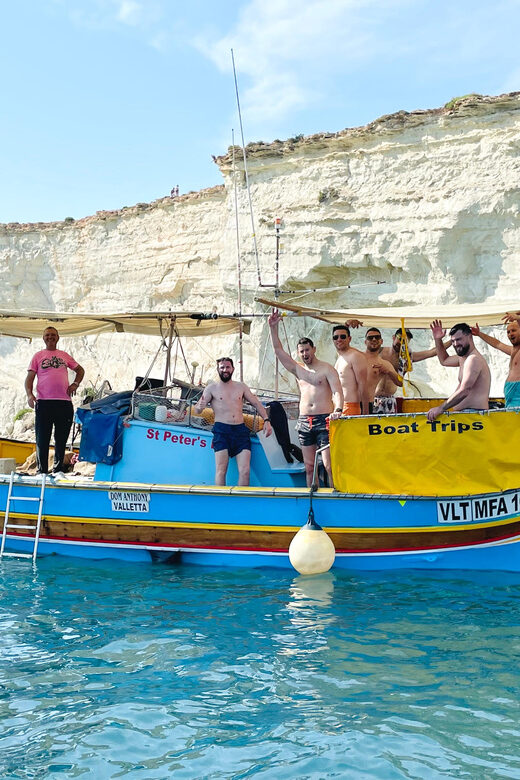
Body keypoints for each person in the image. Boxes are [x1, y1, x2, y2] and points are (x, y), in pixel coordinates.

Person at [269, 310, 343, 487]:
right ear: (298, 353)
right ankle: (312, 496)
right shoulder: (298, 370)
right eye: (301, 351)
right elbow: (278, 350)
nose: (305, 354)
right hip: (304, 421)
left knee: (328, 464)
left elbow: (337, 392)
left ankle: (335, 494)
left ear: (314, 349)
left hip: (324, 419)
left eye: (307, 350)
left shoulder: (327, 369)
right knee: (309, 466)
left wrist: (338, 409)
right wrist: (273, 327)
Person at [194, 357, 272, 486]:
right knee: (221, 470)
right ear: (218, 369)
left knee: (245, 471)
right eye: (222, 367)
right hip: (221, 431)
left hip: (240, 431)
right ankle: (221, 501)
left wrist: (267, 420)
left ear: (233, 369)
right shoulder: (211, 388)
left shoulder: (241, 387)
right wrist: (200, 406)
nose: (225, 370)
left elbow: (256, 403)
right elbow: (197, 410)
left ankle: (241, 500)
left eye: (227, 367)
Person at [25, 326, 85, 474]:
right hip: (44, 402)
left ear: (57, 338)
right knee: (42, 439)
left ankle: (58, 470)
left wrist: (75, 383)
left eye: (53, 335)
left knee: (61, 439)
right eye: (47, 335)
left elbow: (80, 370)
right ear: (43, 338)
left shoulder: (64, 355)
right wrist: (29, 394)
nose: (50, 337)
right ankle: (42, 471)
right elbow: (30, 378)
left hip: (64, 402)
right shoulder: (38, 356)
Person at [427, 321, 490, 422]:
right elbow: (444, 360)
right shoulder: (463, 358)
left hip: (475, 417)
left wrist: (441, 408)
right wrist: (438, 339)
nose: (455, 344)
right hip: (466, 416)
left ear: (470, 336)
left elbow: (465, 390)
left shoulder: (473, 359)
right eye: (452, 341)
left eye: (459, 339)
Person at [472, 319, 520, 407]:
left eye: (514, 330)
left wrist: (517, 318)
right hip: (510, 397)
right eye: (508, 332)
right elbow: (497, 344)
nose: (510, 334)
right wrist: (479, 334)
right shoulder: (512, 350)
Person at [332, 325, 369, 415]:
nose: (339, 339)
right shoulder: (340, 357)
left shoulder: (355, 356)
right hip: (337, 408)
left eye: (343, 336)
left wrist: (366, 414)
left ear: (349, 338)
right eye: (336, 337)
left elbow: (363, 385)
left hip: (350, 407)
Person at [363, 327, 402, 413]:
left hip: (388, 402)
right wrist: (347, 326)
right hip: (363, 402)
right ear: (365, 342)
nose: (374, 339)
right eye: (370, 338)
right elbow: (344, 351)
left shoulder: (385, 363)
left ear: (381, 341)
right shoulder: (358, 358)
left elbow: (400, 383)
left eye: (377, 337)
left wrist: (389, 371)